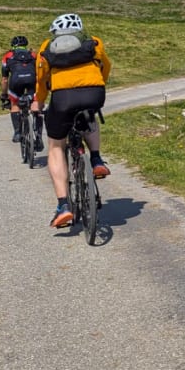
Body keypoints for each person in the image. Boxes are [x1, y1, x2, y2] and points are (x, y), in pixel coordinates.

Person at [32, 13, 112, 228]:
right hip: (94, 92)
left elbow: (41, 79)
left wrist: (38, 102)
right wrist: (97, 85)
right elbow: (106, 66)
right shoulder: (94, 42)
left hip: (63, 98)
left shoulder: (46, 47)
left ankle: (63, 206)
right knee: (89, 116)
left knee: (56, 145)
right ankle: (96, 160)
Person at [0, 35, 44, 149]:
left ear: (13, 46)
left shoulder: (8, 56)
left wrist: (4, 95)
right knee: (35, 106)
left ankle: (18, 132)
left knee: (15, 104)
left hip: (16, 81)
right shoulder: (33, 55)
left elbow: (4, 79)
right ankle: (39, 137)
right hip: (32, 80)